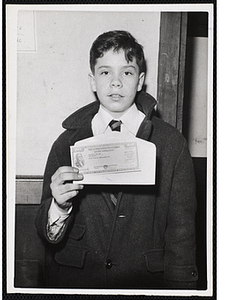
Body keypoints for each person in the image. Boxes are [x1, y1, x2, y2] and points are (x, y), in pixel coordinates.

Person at [35, 30, 198, 289]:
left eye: (127, 72)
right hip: (79, 282)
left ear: (141, 80)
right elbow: (48, 235)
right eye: (105, 72)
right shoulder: (66, 143)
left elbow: (182, 230)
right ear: (92, 80)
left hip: (145, 283)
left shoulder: (171, 144)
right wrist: (59, 205)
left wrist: (181, 290)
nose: (116, 83)